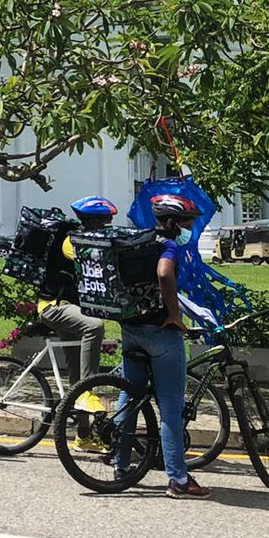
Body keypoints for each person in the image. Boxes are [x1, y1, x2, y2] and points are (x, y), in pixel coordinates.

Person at [117, 193, 212, 499]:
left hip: (131, 328)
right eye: (187, 223)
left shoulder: (139, 242)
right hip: (161, 333)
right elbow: (164, 274)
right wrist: (174, 314)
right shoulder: (167, 245)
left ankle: (121, 465)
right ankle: (179, 480)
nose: (190, 229)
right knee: (170, 408)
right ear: (172, 223)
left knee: (129, 397)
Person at [42, 196, 116, 383]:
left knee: (75, 375)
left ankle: (71, 407)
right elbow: (90, 260)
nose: (108, 226)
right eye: (105, 221)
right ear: (91, 221)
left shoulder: (91, 239)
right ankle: (87, 389)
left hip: (75, 306)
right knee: (94, 326)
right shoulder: (71, 241)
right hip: (54, 305)